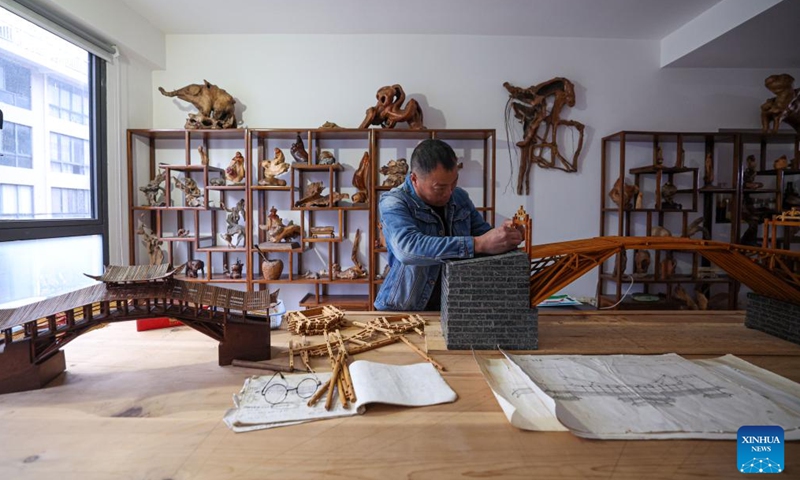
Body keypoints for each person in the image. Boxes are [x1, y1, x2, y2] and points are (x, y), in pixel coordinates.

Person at [374, 139, 524, 311]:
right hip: (404, 308)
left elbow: (485, 237)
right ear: (414, 179)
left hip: (454, 307)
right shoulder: (394, 201)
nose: (449, 192)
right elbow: (407, 248)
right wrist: (477, 244)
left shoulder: (460, 198)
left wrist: (506, 236)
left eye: (454, 182)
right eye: (440, 188)